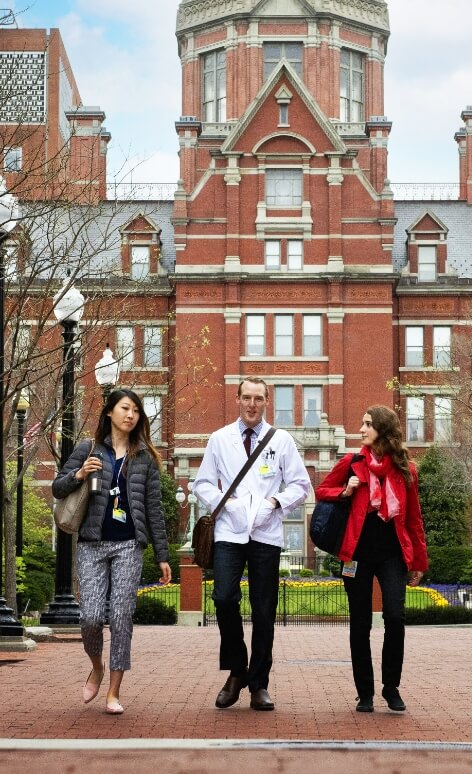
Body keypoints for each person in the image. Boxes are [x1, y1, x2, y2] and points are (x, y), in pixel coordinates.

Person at [193, 377, 311, 711]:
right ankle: (236, 670)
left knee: (263, 611)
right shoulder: (220, 439)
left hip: (265, 534)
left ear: (266, 402)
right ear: (237, 399)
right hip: (229, 532)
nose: (251, 404)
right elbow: (201, 483)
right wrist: (224, 503)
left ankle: (259, 683)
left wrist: (275, 503)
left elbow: (301, 485)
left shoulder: (282, 441)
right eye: (246, 397)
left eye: (258, 399)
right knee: (224, 597)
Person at [52, 388, 171, 715]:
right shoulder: (87, 449)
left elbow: (154, 509)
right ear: (109, 413)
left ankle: (114, 692)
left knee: (120, 617)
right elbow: (57, 487)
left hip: (129, 545)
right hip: (91, 544)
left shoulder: (145, 458)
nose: (130, 415)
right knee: (90, 617)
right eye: (124, 408)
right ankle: (97, 665)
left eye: (135, 410)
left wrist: (162, 556)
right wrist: (78, 474)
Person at [315, 405, 428, 713]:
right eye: (362, 423)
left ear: (383, 429)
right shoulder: (351, 463)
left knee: (395, 617)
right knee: (360, 623)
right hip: (357, 555)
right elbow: (321, 490)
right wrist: (345, 490)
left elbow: (414, 519)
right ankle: (364, 692)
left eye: (367, 424)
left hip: (392, 554)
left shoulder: (406, 469)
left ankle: (391, 687)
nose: (361, 429)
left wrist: (419, 561)